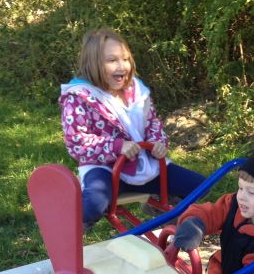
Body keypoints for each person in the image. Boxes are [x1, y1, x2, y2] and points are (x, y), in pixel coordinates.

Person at [59, 28, 205, 232]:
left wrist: (157, 143)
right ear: (92, 64)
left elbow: (152, 123)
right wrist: (116, 146)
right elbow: (77, 142)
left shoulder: (137, 92)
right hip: (106, 169)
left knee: (200, 186)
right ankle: (68, 229)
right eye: (112, 60)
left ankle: (161, 207)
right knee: (94, 203)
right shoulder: (79, 97)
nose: (122, 66)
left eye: (125, 59)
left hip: (145, 165)